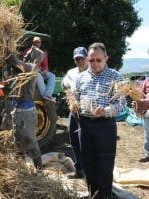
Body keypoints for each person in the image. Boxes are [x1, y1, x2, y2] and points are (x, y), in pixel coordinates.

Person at [72, 42, 126, 198]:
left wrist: (107, 110)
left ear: (106, 59)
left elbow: (121, 104)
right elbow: (75, 97)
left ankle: (104, 195)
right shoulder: (81, 77)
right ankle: (92, 193)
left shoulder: (115, 77)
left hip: (105, 125)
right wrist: (73, 105)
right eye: (91, 60)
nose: (94, 64)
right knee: (88, 162)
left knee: (105, 164)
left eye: (98, 60)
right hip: (85, 124)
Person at [5, 53, 43, 169]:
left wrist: (5, 47)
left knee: (30, 142)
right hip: (17, 112)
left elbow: (13, 59)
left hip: (26, 113)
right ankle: (21, 168)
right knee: (18, 141)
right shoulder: (20, 72)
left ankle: (39, 170)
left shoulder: (30, 68)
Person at [61, 46, 88, 179]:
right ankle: (79, 170)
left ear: (87, 58)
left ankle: (89, 171)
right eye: (76, 59)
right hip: (74, 112)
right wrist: (69, 97)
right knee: (74, 140)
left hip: (87, 113)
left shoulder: (92, 72)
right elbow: (64, 84)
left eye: (81, 58)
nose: (79, 61)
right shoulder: (71, 72)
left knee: (86, 142)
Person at [23, 37, 56, 102]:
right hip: (31, 70)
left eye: (38, 42)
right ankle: (44, 95)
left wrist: (44, 70)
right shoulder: (28, 51)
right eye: (35, 42)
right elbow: (25, 62)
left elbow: (45, 65)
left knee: (52, 76)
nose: (37, 43)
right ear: (33, 43)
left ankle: (48, 94)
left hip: (40, 70)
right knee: (38, 75)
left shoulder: (41, 52)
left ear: (40, 44)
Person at [136, 77, 149, 162]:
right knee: (148, 134)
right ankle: (148, 154)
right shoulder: (147, 80)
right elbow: (141, 93)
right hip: (147, 112)